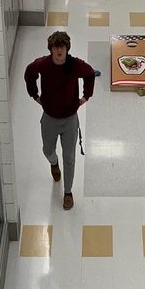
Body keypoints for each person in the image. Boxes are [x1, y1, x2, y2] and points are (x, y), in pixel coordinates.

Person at [24, 31, 95, 211]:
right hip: (49, 118)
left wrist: (86, 96)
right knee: (47, 149)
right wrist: (35, 95)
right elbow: (29, 72)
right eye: (56, 47)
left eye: (62, 47)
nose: (59, 50)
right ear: (51, 49)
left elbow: (89, 74)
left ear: (66, 48)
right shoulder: (43, 64)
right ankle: (54, 163)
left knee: (69, 157)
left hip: (70, 119)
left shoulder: (75, 65)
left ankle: (68, 192)